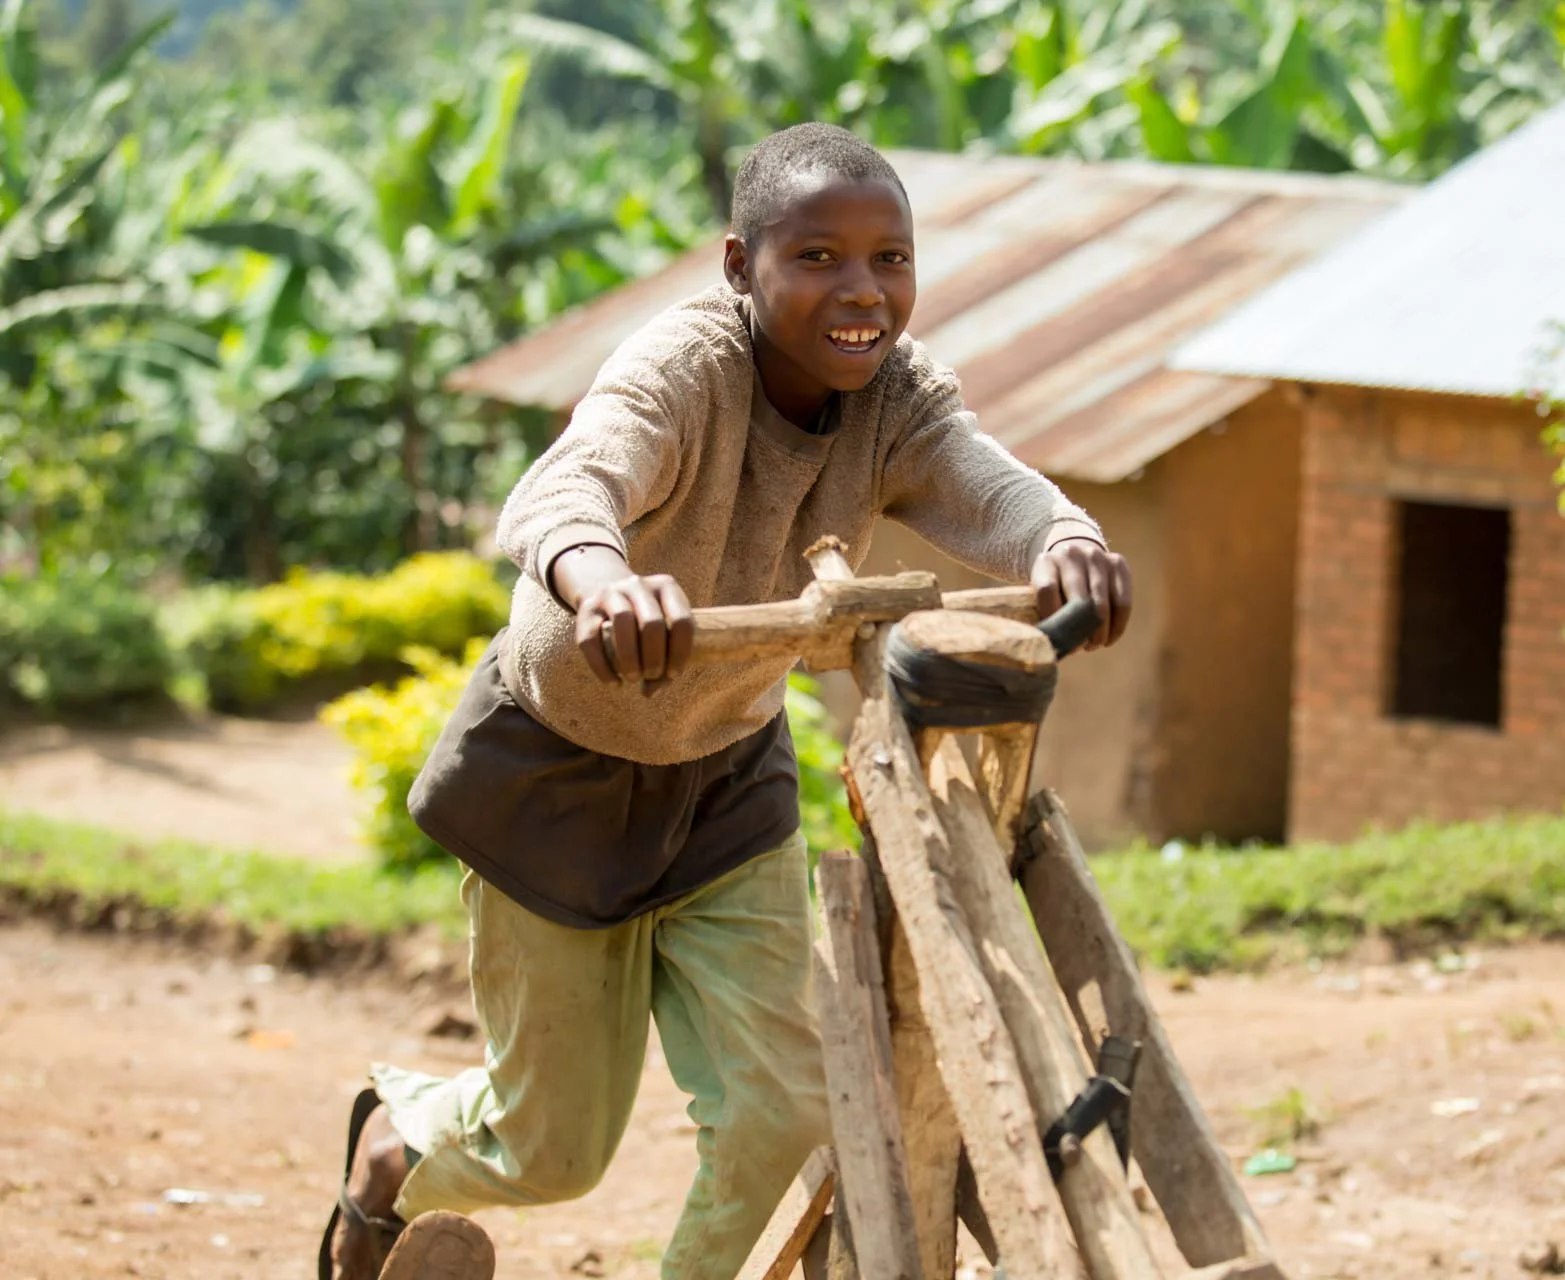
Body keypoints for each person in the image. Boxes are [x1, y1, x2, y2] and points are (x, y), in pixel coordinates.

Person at [319, 121, 1132, 1280]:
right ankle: (397, 1149)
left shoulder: (894, 395)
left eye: (888, 259)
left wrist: (1066, 538)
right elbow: (568, 484)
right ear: (740, 265)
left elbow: (982, 478)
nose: (861, 291)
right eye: (817, 258)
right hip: (559, 773)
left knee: (794, 1115)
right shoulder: (681, 373)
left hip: (728, 790)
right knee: (552, 1151)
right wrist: (604, 581)